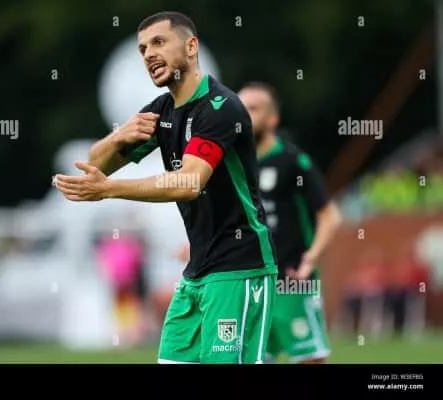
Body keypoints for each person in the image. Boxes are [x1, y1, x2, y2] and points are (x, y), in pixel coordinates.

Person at [54, 11, 278, 364]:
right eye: (143, 49)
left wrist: (110, 189)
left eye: (159, 42)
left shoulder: (221, 107)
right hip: (196, 272)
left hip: (239, 268)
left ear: (191, 47)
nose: (149, 55)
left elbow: (189, 182)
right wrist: (118, 136)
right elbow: (94, 165)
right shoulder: (162, 111)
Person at [237, 82, 342, 364]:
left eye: (253, 108)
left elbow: (330, 215)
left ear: (273, 118)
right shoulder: (235, 164)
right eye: (241, 109)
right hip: (252, 283)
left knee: (309, 358)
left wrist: (311, 259)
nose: (245, 115)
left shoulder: (292, 161)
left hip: (292, 280)